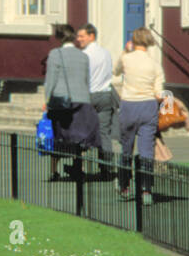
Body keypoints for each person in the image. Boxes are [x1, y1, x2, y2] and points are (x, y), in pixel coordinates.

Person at [112, 26, 164, 204]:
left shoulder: (126, 59)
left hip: (128, 105)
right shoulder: (155, 65)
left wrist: (124, 51)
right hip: (148, 106)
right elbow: (159, 93)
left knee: (126, 148)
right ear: (149, 42)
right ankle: (146, 190)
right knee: (146, 151)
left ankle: (124, 185)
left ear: (134, 41)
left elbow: (115, 71)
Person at [43, 23, 100, 180]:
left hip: (62, 101)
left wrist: (46, 101)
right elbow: (86, 80)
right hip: (82, 100)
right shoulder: (83, 56)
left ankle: (54, 170)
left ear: (59, 37)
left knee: (59, 136)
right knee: (78, 137)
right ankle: (78, 166)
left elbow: (51, 80)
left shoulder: (55, 54)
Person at [76, 23, 116, 178]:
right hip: (105, 95)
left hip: (90, 95)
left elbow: (82, 77)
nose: (79, 39)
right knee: (104, 132)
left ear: (91, 36)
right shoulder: (106, 53)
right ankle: (106, 166)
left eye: (81, 36)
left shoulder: (84, 55)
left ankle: (80, 165)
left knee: (82, 131)